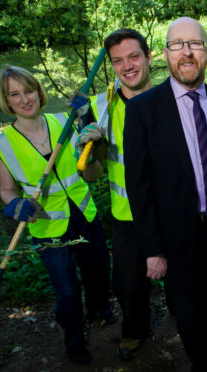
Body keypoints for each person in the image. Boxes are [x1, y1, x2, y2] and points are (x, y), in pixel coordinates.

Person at [123, 17, 207, 372]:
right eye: (178, 45)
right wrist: (153, 249)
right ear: (165, 54)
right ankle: (202, 362)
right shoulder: (143, 110)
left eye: (195, 44)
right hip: (175, 235)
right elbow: (138, 186)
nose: (187, 52)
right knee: (189, 311)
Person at [0, 66, 112, 364]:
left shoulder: (64, 122)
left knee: (98, 271)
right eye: (14, 94)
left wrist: (92, 144)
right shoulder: (1, 143)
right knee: (67, 291)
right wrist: (15, 205)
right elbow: (7, 190)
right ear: (7, 101)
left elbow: (93, 174)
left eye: (28, 90)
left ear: (39, 91)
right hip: (48, 226)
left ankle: (100, 312)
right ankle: (74, 343)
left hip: (84, 213)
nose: (24, 99)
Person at [73, 28, 154, 360]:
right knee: (129, 285)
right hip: (126, 216)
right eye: (117, 61)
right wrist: (90, 150)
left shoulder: (170, 100)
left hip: (169, 212)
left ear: (149, 58)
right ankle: (135, 333)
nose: (127, 66)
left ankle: (192, 326)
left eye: (134, 56)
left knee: (184, 280)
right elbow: (90, 175)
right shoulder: (98, 108)